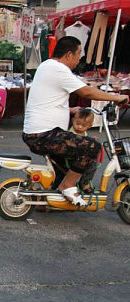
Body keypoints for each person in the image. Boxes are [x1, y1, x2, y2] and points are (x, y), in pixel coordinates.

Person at [23, 36, 128, 206]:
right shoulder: (58, 69)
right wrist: (116, 98)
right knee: (92, 146)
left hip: (40, 132)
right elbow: (86, 92)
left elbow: (48, 99)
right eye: (79, 54)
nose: (79, 59)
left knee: (66, 161)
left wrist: (70, 110)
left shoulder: (47, 66)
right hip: (44, 135)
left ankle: (50, 198)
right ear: (69, 54)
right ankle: (69, 184)